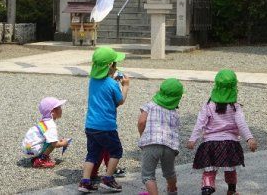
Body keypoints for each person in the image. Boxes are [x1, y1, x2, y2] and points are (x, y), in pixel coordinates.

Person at [187, 69, 257, 195]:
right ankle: (231, 191)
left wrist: (193, 139)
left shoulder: (208, 105)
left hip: (210, 144)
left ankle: (207, 189)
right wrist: (249, 138)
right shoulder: (235, 106)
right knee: (230, 169)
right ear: (234, 87)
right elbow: (241, 124)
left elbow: (200, 123)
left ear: (216, 86)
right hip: (230, 144)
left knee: (209, 170)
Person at [78, 47, 130, 193]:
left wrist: (111, 79)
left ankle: (85, 182)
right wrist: (125, 86)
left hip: (91, 126)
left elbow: (103, 92)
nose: (116, 66)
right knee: (116, 151)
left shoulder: (93, 81)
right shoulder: (113, 84)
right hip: (106, 127)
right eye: (115, 63)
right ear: (110, 66)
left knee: (92, 154)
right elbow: (120, 101)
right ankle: (107, 179)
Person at [137, 78, 184, 195]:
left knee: (148, 175)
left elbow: (141, 121)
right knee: (169, 172)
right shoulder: (175, 113)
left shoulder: (150, 105)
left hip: (151, 143)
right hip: (169, 146)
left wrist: (142, 135)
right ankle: (172, 190)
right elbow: (176, 129)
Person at [21, 97, 70, 168]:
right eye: (59, 107)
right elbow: (55, 144)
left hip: (26, 148)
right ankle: (41, 160)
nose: (61, 109)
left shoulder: (43, 121)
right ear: (53, 112)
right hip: (33, 149)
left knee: (49, 139)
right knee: (52, 142)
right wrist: (64, 143)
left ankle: (37, 157)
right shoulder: (50, 125)